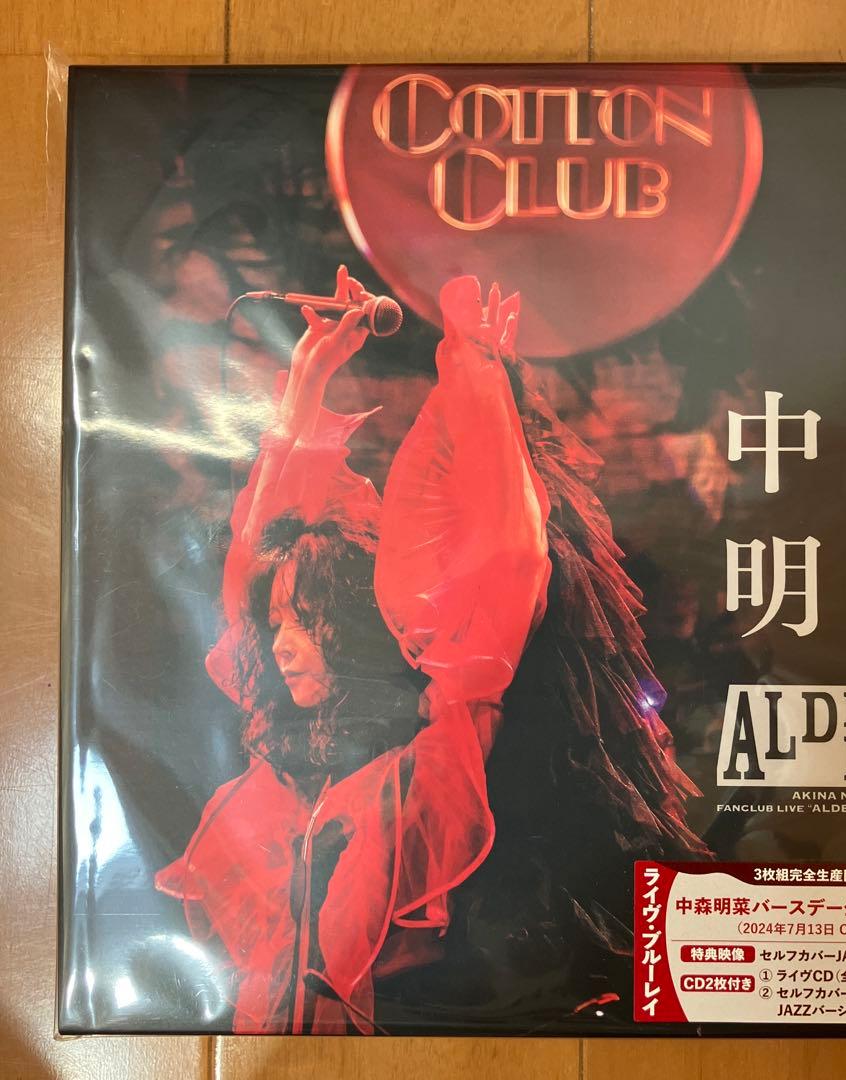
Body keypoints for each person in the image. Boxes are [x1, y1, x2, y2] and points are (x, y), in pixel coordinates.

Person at [157, 267, 705, 1034]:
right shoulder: (283, 754)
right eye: (277, 624)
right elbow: (254, 564)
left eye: (305, 622)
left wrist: (475, 373)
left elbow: (508, 561)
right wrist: (309, 379)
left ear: (351, 632)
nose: (281, 646)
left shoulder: (426, 759)